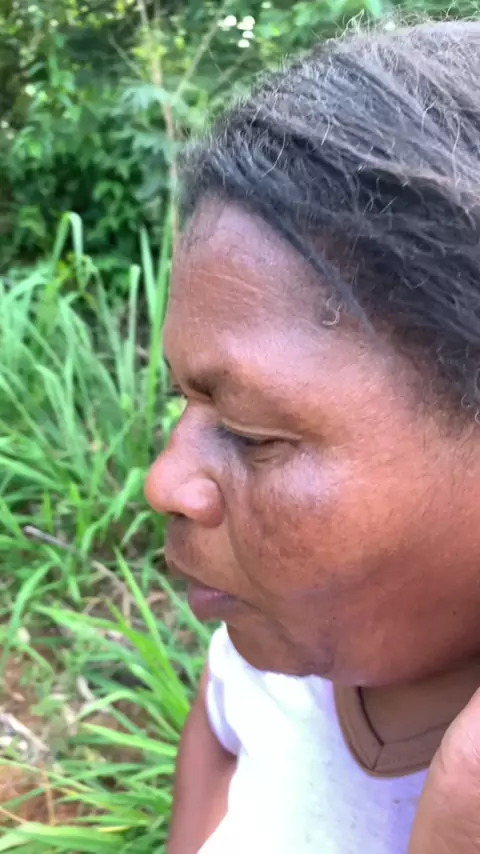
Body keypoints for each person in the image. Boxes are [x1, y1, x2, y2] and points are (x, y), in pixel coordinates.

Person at [144, 20, 480, 853]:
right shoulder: (283, 649)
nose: (164, 482)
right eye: (184, 401)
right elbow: (218, 727)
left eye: (252, 434)